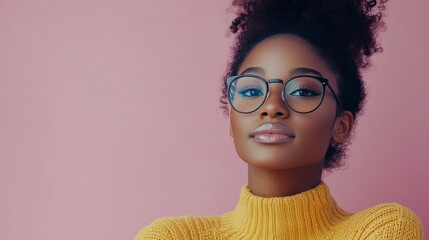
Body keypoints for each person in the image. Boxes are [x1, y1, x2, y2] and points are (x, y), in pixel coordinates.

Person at [134, 0, 424, 239]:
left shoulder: (383, 230)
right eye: (250, 89)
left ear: (341, 125)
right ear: (231, 119)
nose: (272, 106)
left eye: (301, 90)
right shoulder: (171, 236)